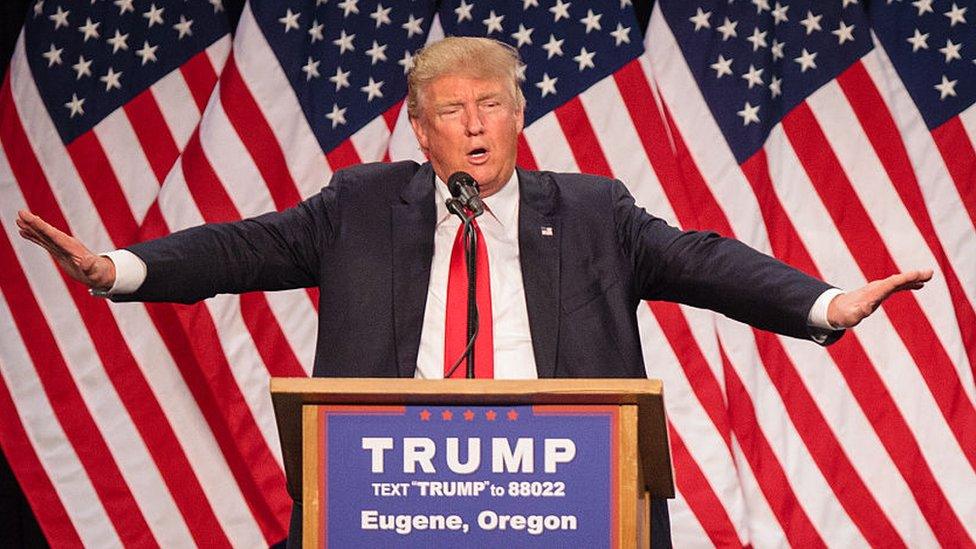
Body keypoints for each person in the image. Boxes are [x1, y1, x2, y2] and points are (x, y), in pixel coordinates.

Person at [15, 37, 931, 546]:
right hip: (388, 494)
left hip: (568, 496)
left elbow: (701, 258)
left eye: (492, 104)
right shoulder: (360, 207)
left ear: (520, 115)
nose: (476, 123)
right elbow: (244, 250)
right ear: (421, 130)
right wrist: (122, 269)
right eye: (452, 110)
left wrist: (822, 302)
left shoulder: (592, 210)